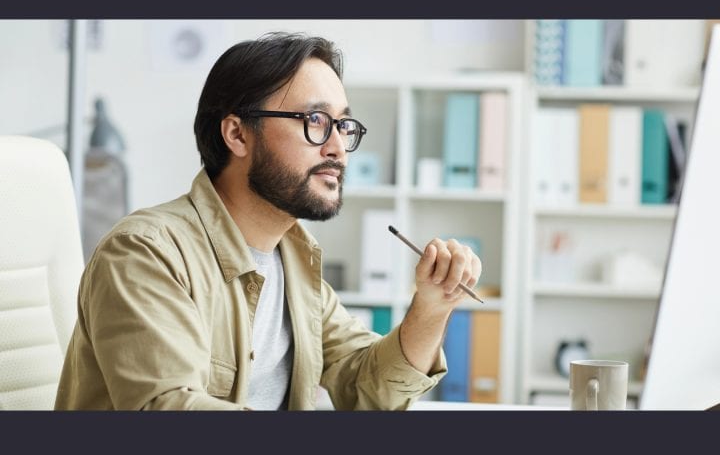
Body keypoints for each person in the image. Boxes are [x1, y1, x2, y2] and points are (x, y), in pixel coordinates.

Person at [55, 32, 482, 410]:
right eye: (315, 121)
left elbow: (369, 390)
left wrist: (431, 306)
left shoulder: (293, 258)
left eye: (343, 125)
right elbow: (167, 407)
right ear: (237, 134)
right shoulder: (146, 253)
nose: (338, 147)